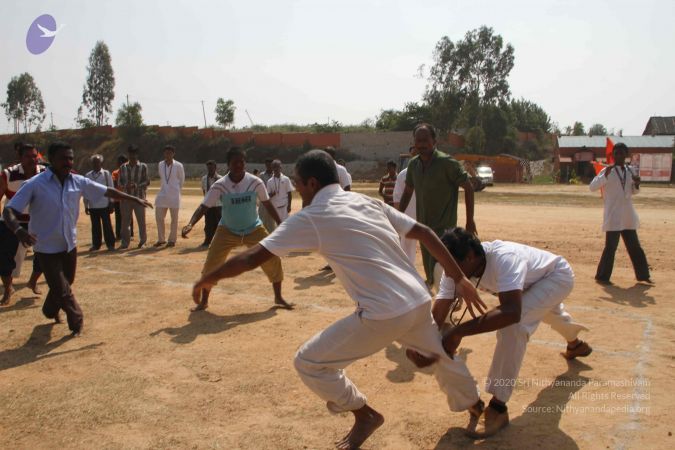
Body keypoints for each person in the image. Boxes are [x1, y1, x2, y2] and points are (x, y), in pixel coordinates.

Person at [192, 150, 487, 450]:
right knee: (440, 356)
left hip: (383, 312)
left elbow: (254, 255)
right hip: (417, 299)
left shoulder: (313, 216)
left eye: (298, 183)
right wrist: (458, 277)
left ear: (311, 182)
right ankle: (475, 404)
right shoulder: (367, 202)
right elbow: (423, 232)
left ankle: (364, 414)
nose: (297, 189)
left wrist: (208, 277)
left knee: (309, 362)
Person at [409, 228, 592, 438]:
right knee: (545, 312)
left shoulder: (505, 259)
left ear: (469, 257)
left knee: (514, 326)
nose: (448, 271)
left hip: (556, 277)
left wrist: (459, 332)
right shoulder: (455, 266)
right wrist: (423, 343)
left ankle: (498, 408)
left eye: (451, 266)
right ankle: (575, 344)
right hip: (526, 285)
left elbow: (512, 313)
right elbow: (440, 310)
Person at [3, 142, 152, 336]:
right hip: (46, 246)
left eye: (71, 158)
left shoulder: (78, 181)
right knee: (63, 289)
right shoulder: (35, 184)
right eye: (63, 158)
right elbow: (9, 210)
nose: (68, 162)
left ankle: (49, 309)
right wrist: (18, 231)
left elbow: (107, 191)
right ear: (51, 160)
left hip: (69, 244)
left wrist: (134, 199)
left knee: (67, 281)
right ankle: (76, 320)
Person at [182, 147, 291, 311]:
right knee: (212, 264)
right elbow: (204, 206)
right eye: (235, 162)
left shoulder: (255, 182)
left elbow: (267, 204)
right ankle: (204, 301)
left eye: (242, 162)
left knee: (272, 257)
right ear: (228, 164)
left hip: (253, 228)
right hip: (227, 230)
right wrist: (191, 223)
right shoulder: (220, 185)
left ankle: (278, 296)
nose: (239, 165)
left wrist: (281, 222)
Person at [398, 123, 476, 286]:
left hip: (445, 231)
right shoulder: (413, 165)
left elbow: (468, 188)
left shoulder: (447, 164)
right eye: (418, 140)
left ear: (434, 141)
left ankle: (453, 299)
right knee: (432, 273)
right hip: (424, 230)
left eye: (425, 140)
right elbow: (407, 192)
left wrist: (470, 221)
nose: (421, 144)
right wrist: (396, 217)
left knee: (444, 272)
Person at [589, 143, 651, 284]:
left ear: (626, 156)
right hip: (613, 216)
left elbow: (633, 192)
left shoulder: (630, 171)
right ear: (613, 155)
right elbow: (592, 187)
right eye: (616, 153)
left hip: (628, 216)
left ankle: (643, 275)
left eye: (622, 153)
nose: (619, 156)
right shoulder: (606, 170)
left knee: (635, 247)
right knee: (610, 248)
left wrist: (637, 184)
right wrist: (604, 176)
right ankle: (602, 277)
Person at [0, 143, 45, 304]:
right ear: (20, 158)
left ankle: (33, 281)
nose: (33, 159)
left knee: (44, 255)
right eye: (28, 156)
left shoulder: (46, 173)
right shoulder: (8, 175)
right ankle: (8, 288)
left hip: (37, 221)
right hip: (11, 222)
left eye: (35, 156)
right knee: (5, 257)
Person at [119, 146, 149, 248]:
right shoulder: (123, 167)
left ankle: (143, 241)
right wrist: (125, 186)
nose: (133, 156)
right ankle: (125, 242)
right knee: (125, 223)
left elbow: (147, 181)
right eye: (131, 154)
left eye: (134, 154)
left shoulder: (143, 166)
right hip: (126, 198)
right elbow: (119, 182)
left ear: (137, 154)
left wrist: (136, 185)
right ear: (128, 154)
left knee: (141, 222)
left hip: (139, 198)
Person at [154, 145, 185, 247]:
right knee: (159, 217)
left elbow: (182, 180)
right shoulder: (160, 164)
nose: (168, 155)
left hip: (174, 196)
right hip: (162, 194)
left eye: (170, 153)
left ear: (173, 154)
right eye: (166, 153)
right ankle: (161, 239)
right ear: (164, 153)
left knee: (174, 219)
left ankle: (172, 240)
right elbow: (162, 178)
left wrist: (176, 190)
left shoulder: (179, 165)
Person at [84, 154, 116, 251]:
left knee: (107, 225)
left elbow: (111, 188)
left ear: (101, 163)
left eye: (97, 162)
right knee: (95, 227)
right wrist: (86, 205)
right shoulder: (88, 175)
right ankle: (96, 245)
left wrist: (111, 202)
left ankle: (110, 244)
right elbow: (86, 191)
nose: (95, 164)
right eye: (94, 162)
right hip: (93, 205)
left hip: (104, 204)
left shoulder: (106, 174)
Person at [393, 146, 418, 265]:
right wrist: (398, 217)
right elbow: (397, 198)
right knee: (407, 247)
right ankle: (408, 274)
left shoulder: (434, 172)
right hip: (409, 215)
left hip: (429, 215)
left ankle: (433, 276)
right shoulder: (403, 175)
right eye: (414, 154)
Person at [265, 159, 294, 227]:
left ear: (280, 168)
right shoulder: (269, 181)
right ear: (272, 168)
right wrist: (272, 194)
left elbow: (289, 193)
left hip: (284, 206)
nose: (276, 169)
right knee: (276, 225)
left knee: (285, 225)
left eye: (277, 167)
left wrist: (289, 205)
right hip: (274, 208)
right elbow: (268, 196)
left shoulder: (286, 179)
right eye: (274, 167)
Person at [201, 160, 222, 247]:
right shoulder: (204, 179)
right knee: (208, 223)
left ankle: (219, 241)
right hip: (208, 205)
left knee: (219, 224)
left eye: (212, 167)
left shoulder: (220, 179)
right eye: (208, 168)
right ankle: (207, 240)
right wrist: (206, 200)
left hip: (218, 205)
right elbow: (204, 190)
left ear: (215, 168)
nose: (210, 169)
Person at [112, 154, 133, 241]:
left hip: (118, 197)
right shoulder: (130, 171)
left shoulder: (115, 172)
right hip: (127, 197)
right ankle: (130, 233)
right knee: (129, 217)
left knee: (119, 218)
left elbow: (115, 184)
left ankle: (119, 234)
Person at [258, 158, 276, 232]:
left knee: (272, 221)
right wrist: (268, 195)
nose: (269, 166)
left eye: (270, 165)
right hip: (264, 202)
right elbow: (260, 188)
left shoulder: (276, 175)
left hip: (274, 201)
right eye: (267, 165)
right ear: (265, 165)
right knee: (262, 219)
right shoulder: (262, 175)